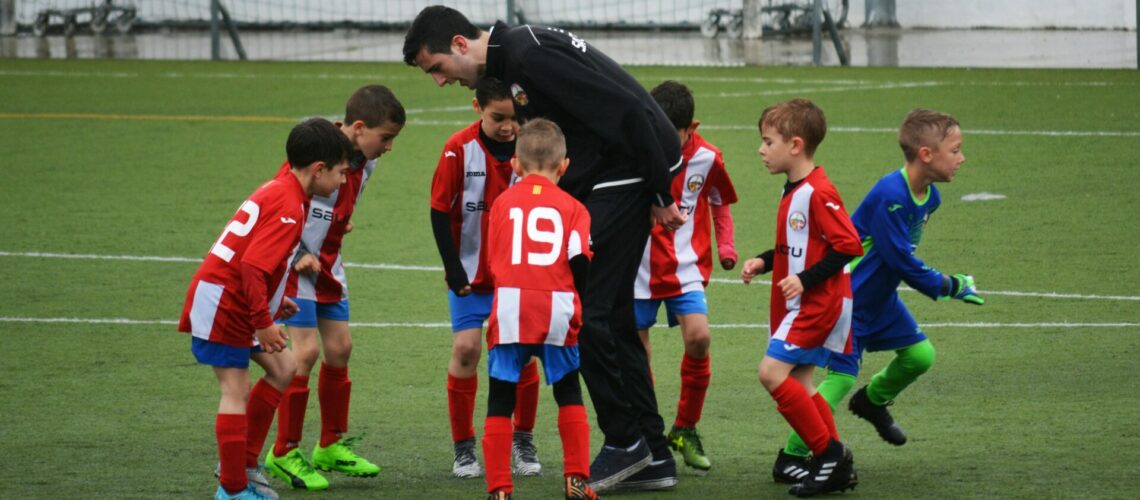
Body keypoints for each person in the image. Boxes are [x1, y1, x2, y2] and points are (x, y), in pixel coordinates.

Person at [404, 6, 687, 492]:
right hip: (621, 170)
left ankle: (625, 441)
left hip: (633, 169)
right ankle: (653, 452)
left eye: (436, 69)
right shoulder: (515, 56)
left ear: (457, 44)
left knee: (588, 310)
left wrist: (660, 192)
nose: (440, 81)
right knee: (614, 315)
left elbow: (627, 108)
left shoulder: (527, 56)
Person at [771, 109, 983, 483]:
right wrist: (949, 285)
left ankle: (872, 401)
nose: (962, 157)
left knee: (920, 355)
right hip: (849, 303)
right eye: (956, 149)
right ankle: (794, 453)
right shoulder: (891, 195)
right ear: (926, 155)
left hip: (881, 301)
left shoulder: (929, 198)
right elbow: (900, 259)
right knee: (836, 382)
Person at [178, 118, 354, 500]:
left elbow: (261, 260)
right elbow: (251, 267)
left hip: (237, 298)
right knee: (234, 390)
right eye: (341, 173)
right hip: (225, 303)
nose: (343, 182)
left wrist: (276, 302)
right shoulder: (290, 205)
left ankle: (246, 465)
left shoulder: (285, 192)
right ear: (319, 169)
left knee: (285, 367)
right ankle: (232, 488)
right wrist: (263, 321)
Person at [263, 85, 405, 491]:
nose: (389, 147)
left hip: (328, 264)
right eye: (386, 138)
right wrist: (297, 254)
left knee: (340, 349)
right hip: (296, 265)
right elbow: (280, 203)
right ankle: (284, 451)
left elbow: (337, 205)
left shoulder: (365, 162)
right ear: (358, 128)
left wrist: (337, 226)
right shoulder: (317, 149)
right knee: (304, 353)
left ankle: (330, 445)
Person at [739, 98, 862, 497]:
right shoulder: (794, 189)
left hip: (816, 303)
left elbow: (848, 245)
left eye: (767, 141)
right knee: (803, 385)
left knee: (771, 373)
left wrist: (805, 280)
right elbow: (798, 244)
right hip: (806, 300)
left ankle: (828, 454)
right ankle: (836, 466)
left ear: (795, 145)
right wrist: (763, 260)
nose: (761, 149)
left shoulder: (818, 191)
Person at [429, 77, 544, 479]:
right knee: (466, 350)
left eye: (515, 118)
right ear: (478, 108)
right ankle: (463, 448)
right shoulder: (457, 149)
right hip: (469, 274)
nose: (509, 127)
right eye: (499, 118)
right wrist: (453, 265)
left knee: (523, 353)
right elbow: (440, 211)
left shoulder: (530, 151)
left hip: (517, 275)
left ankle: (523, 439)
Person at [482, 118, 597, 500]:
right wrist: (576, 299)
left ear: (515, 165)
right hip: (557, 306)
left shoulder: (502, 204)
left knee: (500, 396)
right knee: (568, 392)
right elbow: (580, 258)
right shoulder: (574, 207)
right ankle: (576, 481)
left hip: (512, 306)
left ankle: (500, 489)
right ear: (564, 166)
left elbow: (494, 262)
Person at [633, 80, 738, 474]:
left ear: (691, 127)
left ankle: (685, 428)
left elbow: (719, 201)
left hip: (685, 267)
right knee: (636, 355)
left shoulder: (708, 158)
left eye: (670, 134)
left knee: (699, 337)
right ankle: (646, 433)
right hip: (637, 268)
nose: (661, 140)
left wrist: (725, 245)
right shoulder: (635, 151)